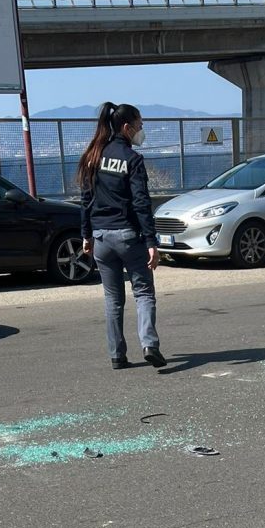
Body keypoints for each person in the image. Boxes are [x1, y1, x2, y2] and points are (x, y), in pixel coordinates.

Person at [78, 102, 167, 371]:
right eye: (139, 124)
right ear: (127, 128)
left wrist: (86, 235)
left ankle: (117, 355)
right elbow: (141, 202)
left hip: (101, 239)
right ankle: (149, 345)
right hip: (128, 236)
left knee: (113, 300)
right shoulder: (132, 159)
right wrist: (151, 241)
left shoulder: (94, 155)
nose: (142, 129)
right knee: (144, 292)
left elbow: (86, 200)